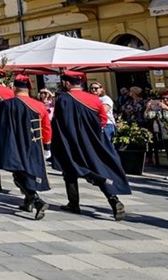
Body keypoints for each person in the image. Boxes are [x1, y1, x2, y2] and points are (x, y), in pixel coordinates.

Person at [51, 70, 130, 220]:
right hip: (93, 140)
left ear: (66, 83)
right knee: (98, 168)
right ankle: (114, 200)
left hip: (71, 140)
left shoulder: (63, 99)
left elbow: (59, 121)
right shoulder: (94, 99)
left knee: (69, 170)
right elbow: (103, 120)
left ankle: (73, 203)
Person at [0, 75, 51, 220]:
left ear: (14, 88)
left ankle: (36, 200)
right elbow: (46, 127)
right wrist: (47, 146)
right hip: (34, 145)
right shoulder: (39, 105)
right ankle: (28, 202)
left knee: (19, 175)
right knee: (29, 173)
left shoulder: (5, 105)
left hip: (13, 145)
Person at [145, 90, 168, 182]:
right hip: (167, 135)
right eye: (163, 98)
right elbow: (148, 116)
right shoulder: (160, 110)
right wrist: (148, 108)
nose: (165, 100)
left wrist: (166, 108)